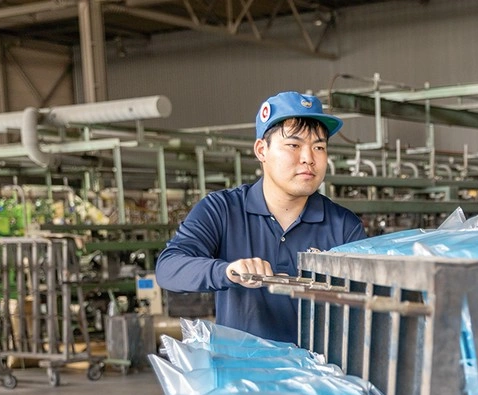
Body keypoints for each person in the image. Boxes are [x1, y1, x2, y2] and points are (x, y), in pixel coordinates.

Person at [156, 91, 367, 344]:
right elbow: (168, 268)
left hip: (318, 367)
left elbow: (365, 305)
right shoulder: (222, 210)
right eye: (294, 145)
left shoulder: (344, 226)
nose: (308, 158)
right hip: (243, 366)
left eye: (319, 147)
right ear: (261, 150)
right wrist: (227, 271)